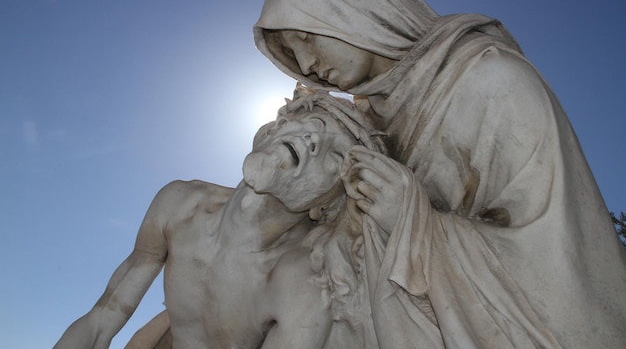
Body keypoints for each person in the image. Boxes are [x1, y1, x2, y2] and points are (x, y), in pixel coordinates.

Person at [254, 0, 626, 349]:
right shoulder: (366, 128)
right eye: (293, 54)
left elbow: (562, 263)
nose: (307, 64)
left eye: (306, 39)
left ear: (349, 7)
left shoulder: (492, 82)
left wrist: (413, 221)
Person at [54, 89, 386, 349]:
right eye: (313, 123)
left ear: (326, 207)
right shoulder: (180, 204)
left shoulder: (303, 287)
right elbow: (100, 322)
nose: (314, 140)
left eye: (337, 154)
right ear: (272, 130)